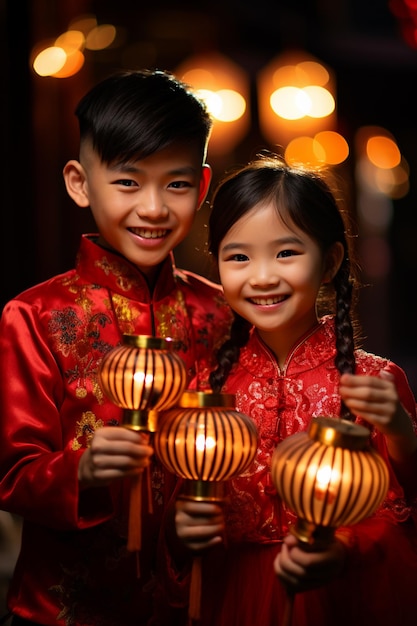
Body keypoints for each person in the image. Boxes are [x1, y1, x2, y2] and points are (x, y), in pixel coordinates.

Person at [0, 69, 232, 626]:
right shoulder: (34, 316)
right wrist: (81, 470)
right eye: (128, 182)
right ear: (80, 183)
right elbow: (12, 475)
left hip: (198, 601)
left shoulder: (224, 314)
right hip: (62, 611)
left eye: (175, 184)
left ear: (201, 188)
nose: (153, 209)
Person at [174, 155, 417, 626]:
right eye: (238, 256)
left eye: (286, 253)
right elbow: (183, 506)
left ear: (328, 262)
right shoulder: (205, 389)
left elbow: (405, 505)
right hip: (232, 596)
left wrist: (403, 433)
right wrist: (181, 530)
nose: (262, 276)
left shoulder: (374, 382)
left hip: (343, 593)